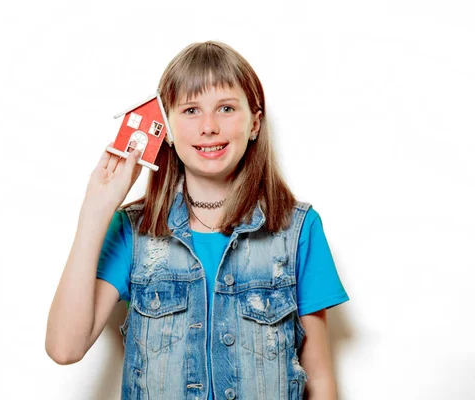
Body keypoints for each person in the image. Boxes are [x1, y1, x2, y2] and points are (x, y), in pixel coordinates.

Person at [46, 41, 349, 400]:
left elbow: (320, 380)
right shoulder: (133, 231)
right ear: (167, 129)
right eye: (191, 110)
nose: (208, 127)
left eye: (225, 108)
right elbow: (65, 348)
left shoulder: (297, 229)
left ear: (254, 123)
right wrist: (96, 209)